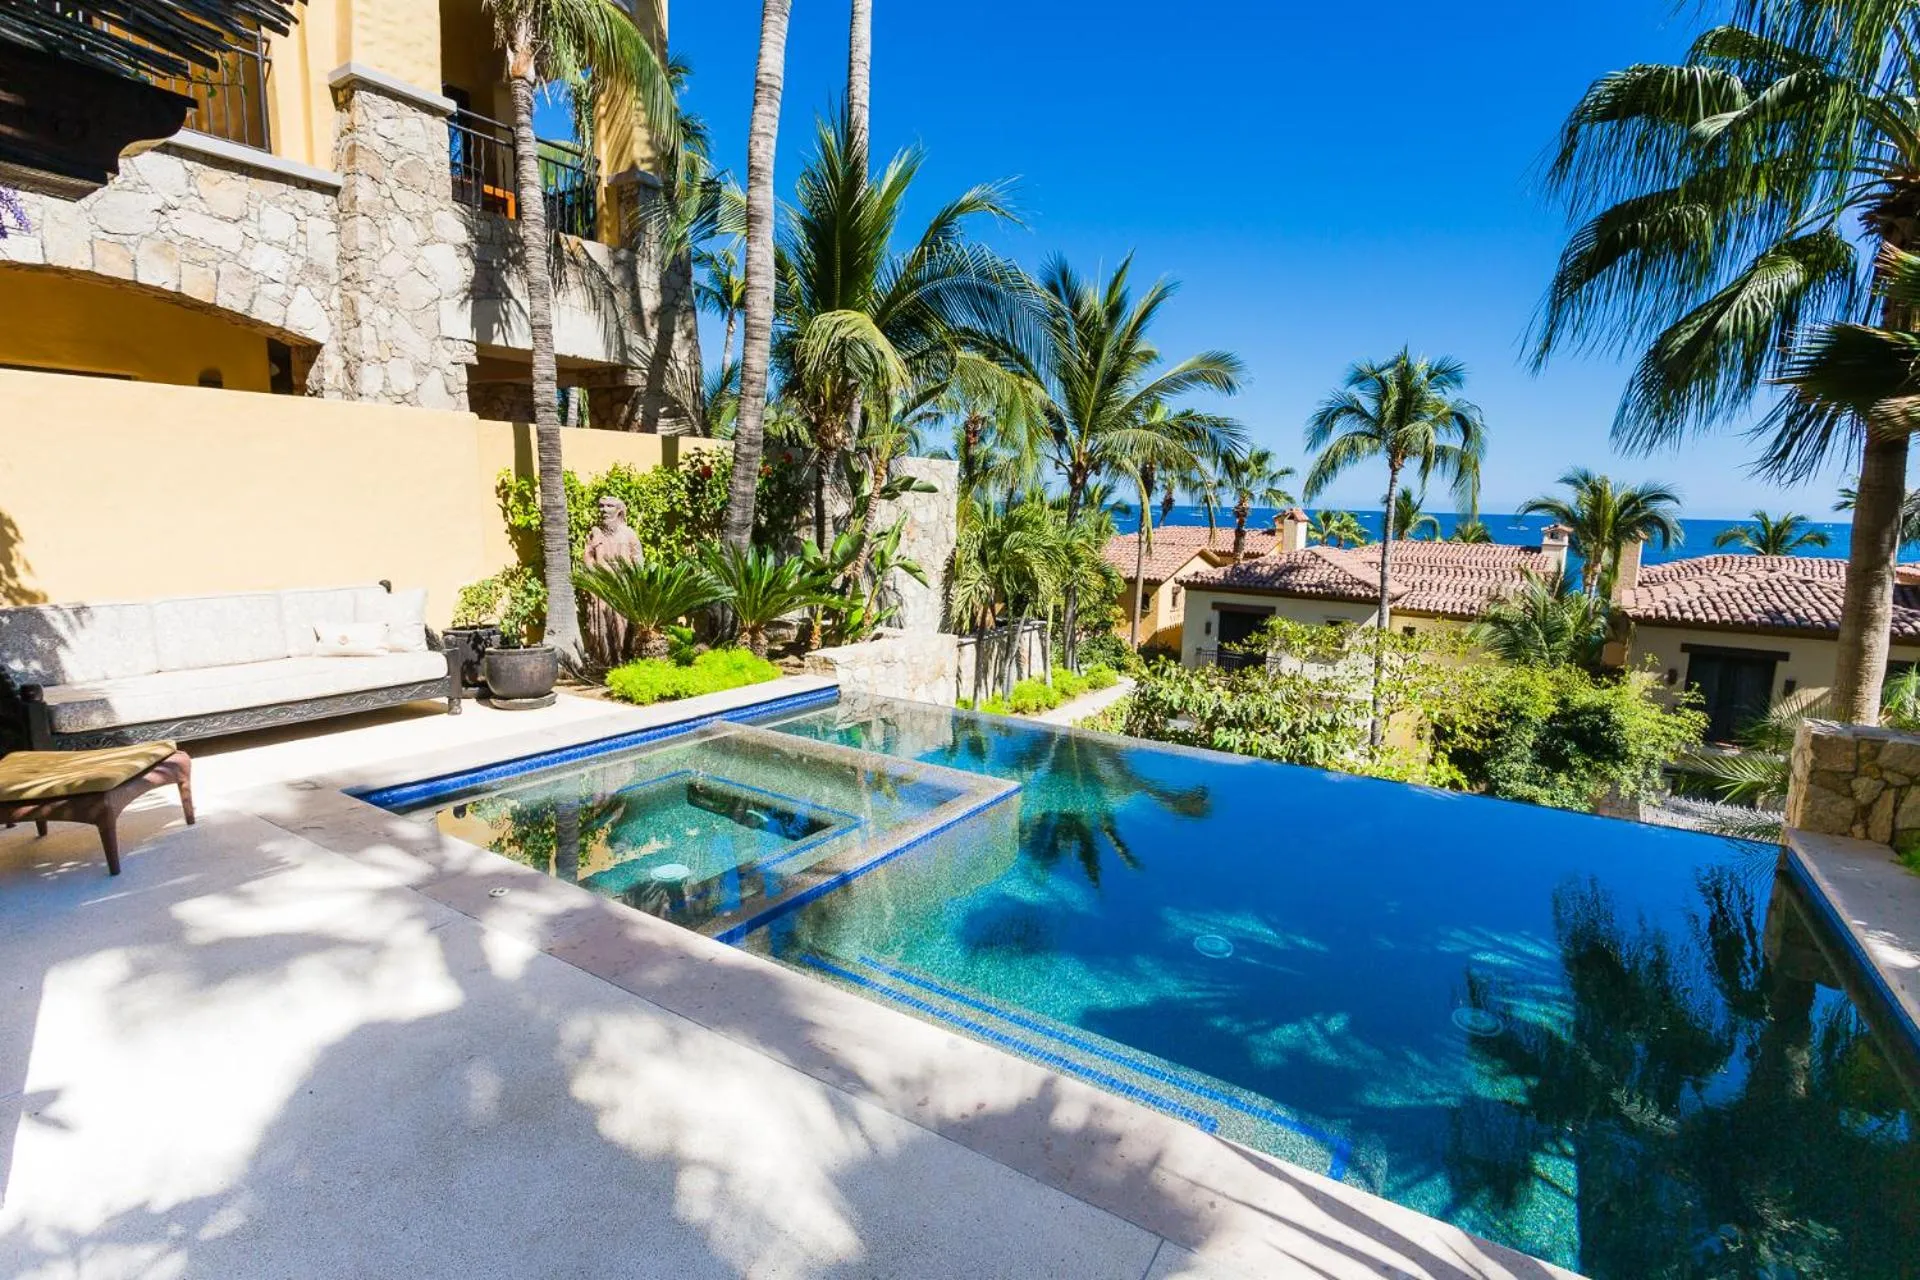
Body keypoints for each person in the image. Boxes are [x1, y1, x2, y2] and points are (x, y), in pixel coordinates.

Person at [582, 496, 642, 664]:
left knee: (622, 624)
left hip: (622, 587)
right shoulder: (595, 534)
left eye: (609, 506)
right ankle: (604, 663)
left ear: (619, 511)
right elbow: (588, 558)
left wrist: (636, 583)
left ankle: (624, 660)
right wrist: (598, 574)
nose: (604, 510)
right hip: (602, 587)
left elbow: (638, 559)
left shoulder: (629, 534)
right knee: (600, 627)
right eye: (601, 506)